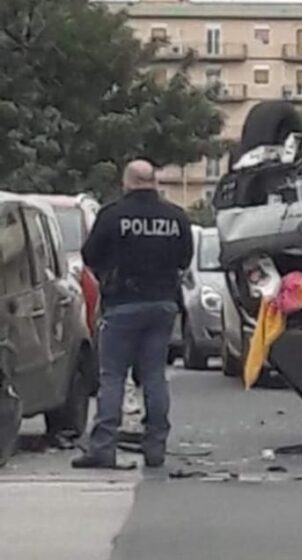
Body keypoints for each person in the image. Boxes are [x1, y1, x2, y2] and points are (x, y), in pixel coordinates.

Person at [72, 160, 193, 469]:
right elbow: (184, 258)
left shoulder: (112, 216)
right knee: (153, 376)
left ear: (127, 182)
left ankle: (103, 448)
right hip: (163, 304)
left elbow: (90, 256)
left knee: (112, 376)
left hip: (123, 304)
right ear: (154, 181)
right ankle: (155, 448)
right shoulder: (176, 217)